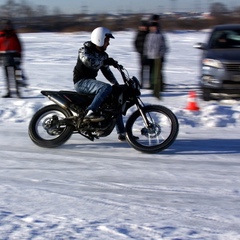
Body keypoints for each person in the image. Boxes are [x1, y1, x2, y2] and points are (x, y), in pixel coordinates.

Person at [73, 27, 126, 141]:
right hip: (81, 82)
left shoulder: (103, 55)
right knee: (105, 88)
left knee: (115, 101)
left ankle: (122, 133)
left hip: (91, 84)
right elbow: (92, 63)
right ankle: (90, 112)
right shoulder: (84, 50)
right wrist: (105, 61)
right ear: (100, 39)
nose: (109, 43)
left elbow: (106, 72)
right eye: (107, 40)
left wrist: (116, 85)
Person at [0, 19, 27, 98]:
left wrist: (20, 57)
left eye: (9, 25)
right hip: (4, 57)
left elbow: (19, 46)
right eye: (6, 25)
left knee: (17, 76)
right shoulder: (1, 35)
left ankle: (18, 92)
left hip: (14, 57)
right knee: (7, 76)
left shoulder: (14, 35)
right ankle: (9, 92)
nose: (8, 27)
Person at [144, 17, 168, 98]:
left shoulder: (160, 35)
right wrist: (146, 55)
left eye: (154, 27)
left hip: (158, 57)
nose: (153, 28)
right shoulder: (149, 35)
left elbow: (164, 47)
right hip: (150, 56)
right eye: (152, 27)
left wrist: (160, 54)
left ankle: (160, 86)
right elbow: (147, 46)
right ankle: (152, 85)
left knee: (158, 73)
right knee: (151, 72)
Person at [134, 19, 149, 88]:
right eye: (142, 26)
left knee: (150, 69)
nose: (144, 28)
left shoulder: (149, 33)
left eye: (145, 26)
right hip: (142, 54)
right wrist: (139, 50)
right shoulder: (139, 33)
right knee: (142, 69)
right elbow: (135, 43)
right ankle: (142, 83)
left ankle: (150, 83)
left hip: (149, 54)